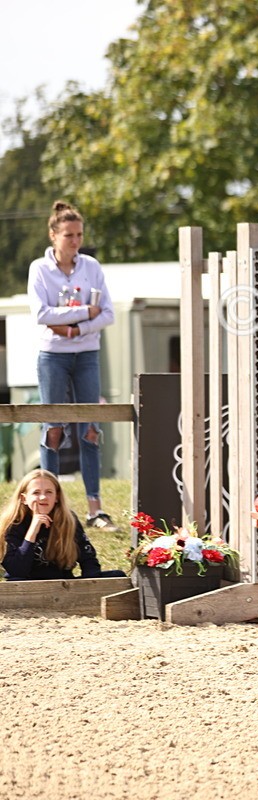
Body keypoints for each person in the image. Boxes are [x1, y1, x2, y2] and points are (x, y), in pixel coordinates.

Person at [27, 201, 116, 529]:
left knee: (91, 428)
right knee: (53, 428)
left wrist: (74, 327)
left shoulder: (91, 266)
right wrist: (83, 312)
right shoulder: (39, 269)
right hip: (52, 355)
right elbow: (40, 314)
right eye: (68, 235)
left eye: (79, 234)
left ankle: (96, 508)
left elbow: (108, 313)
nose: (75, 240)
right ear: (53, 236)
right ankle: (46, 507)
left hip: (87, 355)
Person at [1, 469, 125, 580]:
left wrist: (90, 586)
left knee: (118, 576)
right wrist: (33, 529)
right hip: (26, 586)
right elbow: (17, 570)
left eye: (49, 492)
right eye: (36, 493)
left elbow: (88, 560)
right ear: (24, 498)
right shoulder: (13, 523)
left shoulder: (68, 520)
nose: (43, 497)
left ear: (57, 497)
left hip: (62, 585)